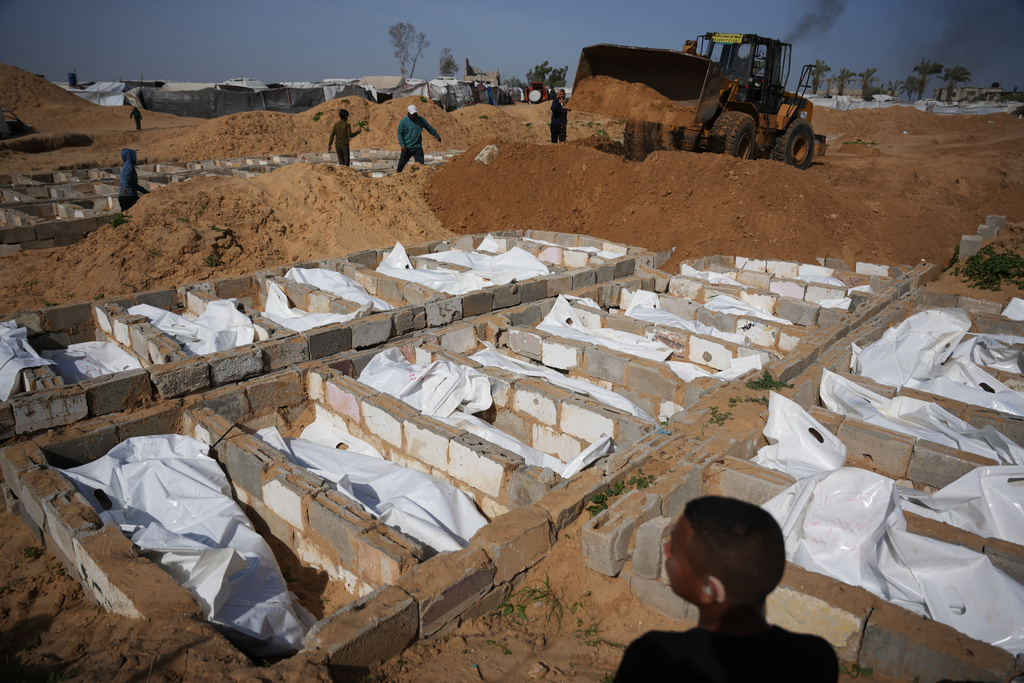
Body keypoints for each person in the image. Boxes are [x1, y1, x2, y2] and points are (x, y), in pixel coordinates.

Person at [614, 496, 839, 683]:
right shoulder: (815, 658)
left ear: (709, 589)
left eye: (675, 547)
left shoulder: (654, 658)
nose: (667, 548)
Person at [396, 104, 441, 173]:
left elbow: (429, 128)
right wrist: (402, 144)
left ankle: (419, 178)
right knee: (401, 164)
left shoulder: (421, 120)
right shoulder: (403, 122)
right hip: (407, 147)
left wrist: (437, 136)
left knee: (420, 165)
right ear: (408, 113)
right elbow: (399, 133)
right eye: (412, 114)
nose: (413, 116)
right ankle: (397, 175)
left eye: (415, 114)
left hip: (417, 146)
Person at [118, 148, 148, 212]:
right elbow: (126, 180)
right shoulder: (129, 167)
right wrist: (125, 194)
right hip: (129, 197)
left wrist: (145, 192)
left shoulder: (126, 166)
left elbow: (133, 184)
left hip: (128, 196)